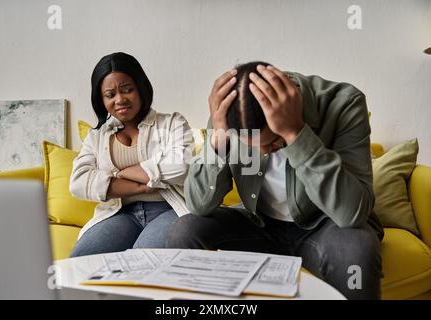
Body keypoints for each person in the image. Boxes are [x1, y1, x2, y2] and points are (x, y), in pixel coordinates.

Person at [166, 61, 384, 300]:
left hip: (324, 225)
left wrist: (296, 134)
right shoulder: (228, 114)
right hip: (259, 224)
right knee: (183, 231)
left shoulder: (343, 103)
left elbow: (352, 213)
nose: (265, 153)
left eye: (273, 142)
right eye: (254, 147)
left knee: (357, 248)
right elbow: (198, 204)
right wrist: (218, 140)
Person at [69, 52, 194, 257]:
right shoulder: (97, 137)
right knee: (79, 260)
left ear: (141, 88)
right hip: (119, 213)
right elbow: (78, 182)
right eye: (110, 95)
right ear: (101, 100)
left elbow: (181, 166)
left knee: (140, 262)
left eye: (127, 90)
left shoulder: (172, 123)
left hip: (168, 209)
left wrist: (120, 174)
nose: (120, 100)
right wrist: (141, 186)